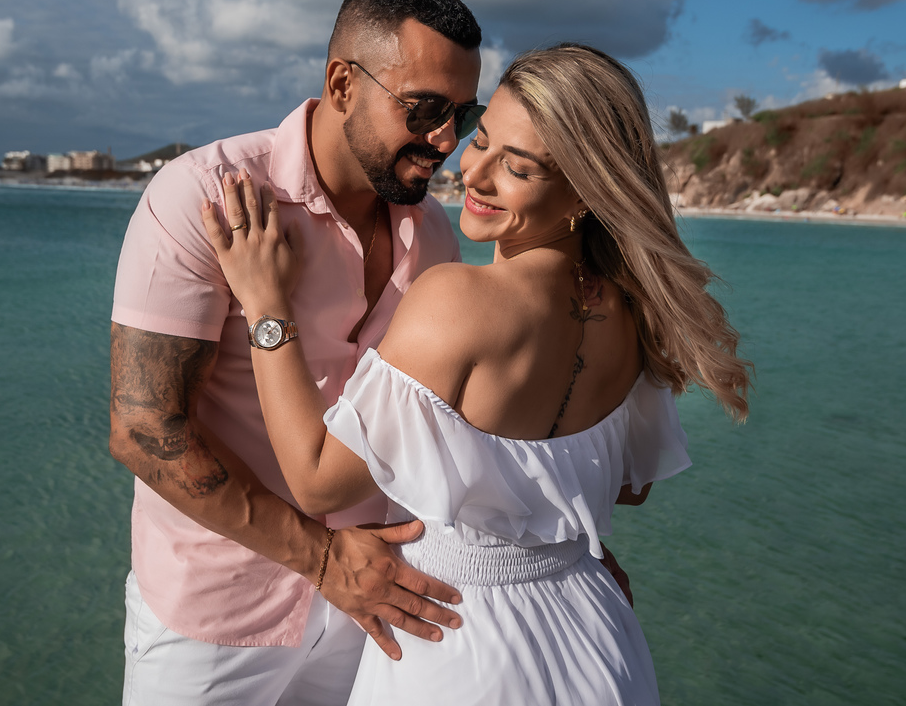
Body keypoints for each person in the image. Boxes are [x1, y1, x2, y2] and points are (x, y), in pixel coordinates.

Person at [201, 43, 753, 705]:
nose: (472, 172)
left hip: (457, 640)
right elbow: (623, 488)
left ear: (585, 191)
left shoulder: (456, 301)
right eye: (480, 139)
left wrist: (266, 305)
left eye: (515, 166)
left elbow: (317, 479)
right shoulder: (635, 315)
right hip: (596, 636)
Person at [107, 0, 484, 705]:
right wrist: (322, 561)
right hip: (215, 617)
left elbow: (441, 422)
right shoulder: (206, 196)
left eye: (463, 117)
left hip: (376, 600)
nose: (445, 141)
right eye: (425, 108)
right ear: (343, 83)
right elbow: (142, 427)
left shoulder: (434, 233)